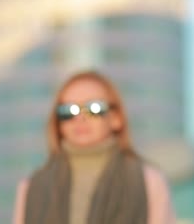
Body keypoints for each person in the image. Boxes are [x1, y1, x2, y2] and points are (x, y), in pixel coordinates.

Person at [12, 70, 176, 224]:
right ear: (58, 123)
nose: (80, 118)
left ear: (116, 118)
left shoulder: (149, 181)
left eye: (94, 108)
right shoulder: (31, 188)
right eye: (68, 111)